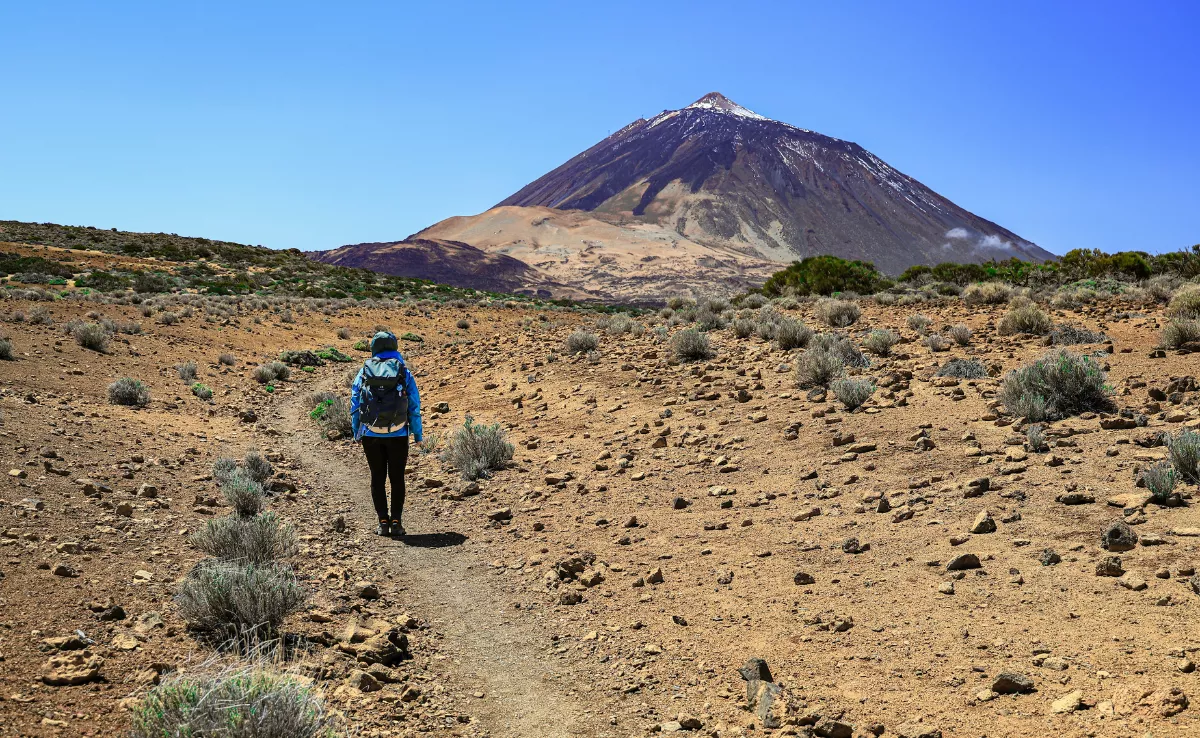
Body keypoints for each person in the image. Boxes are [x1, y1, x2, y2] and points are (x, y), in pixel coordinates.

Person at [349, 331, 422, 537]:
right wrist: (417, 434)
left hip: (371, 434)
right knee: (397, 478)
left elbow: (355, 404)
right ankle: (397, 523)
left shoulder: (364, 371)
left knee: (377, 477)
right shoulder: (403, 371)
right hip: (398, 434)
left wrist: (357, 431)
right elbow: (414, 405)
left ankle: (382, 522)